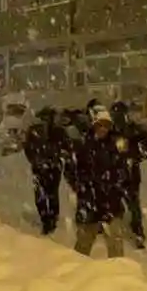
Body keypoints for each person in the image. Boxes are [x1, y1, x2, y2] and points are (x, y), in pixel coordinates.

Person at [71, 109, 129, 257]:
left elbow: (122, 170)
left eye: (106, 125)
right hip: (90, 202)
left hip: (111, 202)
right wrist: (83, 188)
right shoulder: (85, 145)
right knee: (82, 247)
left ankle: (119, 275)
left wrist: (116, 187)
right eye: (100, 125)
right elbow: (76, 171)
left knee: (115, 246)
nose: (103, 129)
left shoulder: (116, 145)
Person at [110, 101, 147, 249]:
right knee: (122, 204)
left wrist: (135, 156)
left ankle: (136, 232)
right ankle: (130, 231)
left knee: (130, 204)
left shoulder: (131, 131)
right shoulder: (115, 131)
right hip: (118, 172)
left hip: (128, 173)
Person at [22, 107, 69, 235]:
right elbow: (28, 148)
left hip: (53, 168)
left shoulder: (58, 132)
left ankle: (52, 218)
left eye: (49, 118)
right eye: (45, 118)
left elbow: (66, 147)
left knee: (52, 193)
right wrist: (35, 160)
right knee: (40, 195)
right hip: (39, 168)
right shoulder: (34, 131)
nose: (47, 120)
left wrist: (58, 157)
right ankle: (46, 219)